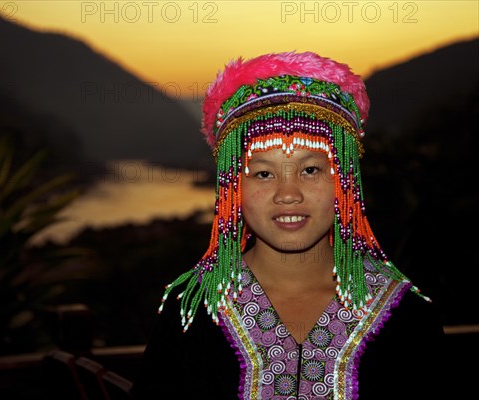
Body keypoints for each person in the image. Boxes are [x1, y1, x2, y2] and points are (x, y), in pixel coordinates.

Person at [130, 51, 445, 399]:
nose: (288, 194)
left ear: (344, 179)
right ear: (233, 187)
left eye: (310, 170)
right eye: (264, 173)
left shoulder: (406, 317)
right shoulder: (192, 311)